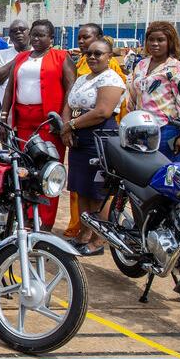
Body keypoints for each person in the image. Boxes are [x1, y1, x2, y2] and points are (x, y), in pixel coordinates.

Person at [0, 18, 75, 230]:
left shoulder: (61, 57)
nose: (36, 39)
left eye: (42, 35)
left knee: (46, 171)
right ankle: (28, 217)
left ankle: (44, 221)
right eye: (34, 34)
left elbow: (70, 89)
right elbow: (10, 88)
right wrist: (4, 118)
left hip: (48, 122)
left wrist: (64, 121)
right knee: (24, 171)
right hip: (23, 121)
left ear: (51, 38)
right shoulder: (22, 57)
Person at [61, 23, 127, 238]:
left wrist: (71, 125)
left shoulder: (111, 78)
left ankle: (98, 239)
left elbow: (102, 111)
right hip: (80, 139)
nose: (92, 57)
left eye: (98, 53)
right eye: (89, 53)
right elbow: (69, 104)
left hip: (100, 137)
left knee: (98, 192)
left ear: (109, 57)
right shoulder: (83, 78)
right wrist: (67, 127)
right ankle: (83, 234)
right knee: (81, 189)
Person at [126, 21, 180, 161]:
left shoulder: (176, 69)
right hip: (139, 129)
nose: (155, 43)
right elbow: (134, 95)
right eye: (151, 39)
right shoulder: (141, 65)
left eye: (160, 40)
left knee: (165, 175)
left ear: (170, 42)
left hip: (166, 131)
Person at [0, 19, 29, 113]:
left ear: (30, 33)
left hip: (30, 113)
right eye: (14, 31)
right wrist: (19, 58)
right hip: (5, 114)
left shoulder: (40, 55)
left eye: (22, 29)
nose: (18, 32)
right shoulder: (0, 55)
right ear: (10, 36)